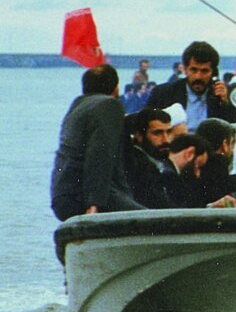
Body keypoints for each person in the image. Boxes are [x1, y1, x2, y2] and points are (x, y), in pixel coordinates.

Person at [50, 64, 146, 223]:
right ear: (116, 88)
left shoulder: (77, 107)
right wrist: (93, 204)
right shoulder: (109, 105)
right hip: (86, 196)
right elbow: (99, 155)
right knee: (156, 222)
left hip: (62, 196)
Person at [147, 41, 236, 130]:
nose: (198, 77)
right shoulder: (163, 93)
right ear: (185, 69)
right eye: (193, 70)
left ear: (213, 72)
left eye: (205, 71)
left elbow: (234, 129)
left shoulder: (222, 95)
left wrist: (225, 104)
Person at [123, 107, 173, 207]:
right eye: (157, 133)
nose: (166, 140)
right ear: (139, 135)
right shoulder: (138, 166)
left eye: (168, 132)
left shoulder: (157, 163)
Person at [160, 132, 211, 208]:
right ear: (189, 153)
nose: (198, 174)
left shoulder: (163, 167)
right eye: (198, 166)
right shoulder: (170, 176)